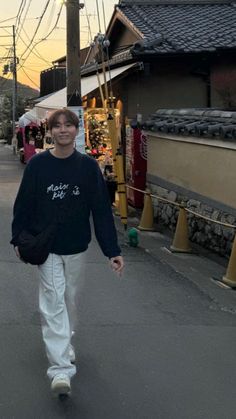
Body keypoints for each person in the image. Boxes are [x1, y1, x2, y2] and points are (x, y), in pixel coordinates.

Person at [10, 109, 124, 397]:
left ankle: (65, 341)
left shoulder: (87, 168)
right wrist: (17, 238)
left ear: (76, 130)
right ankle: (60, 369)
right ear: (50, 131)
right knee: (52, 302)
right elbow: (23, 205)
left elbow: (100, 211)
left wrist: (112, 250)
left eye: (68, 125)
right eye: (57, 126)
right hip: (46, 245)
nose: (63, 130)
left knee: (69, 299)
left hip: (76, 245)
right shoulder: (37, 166)